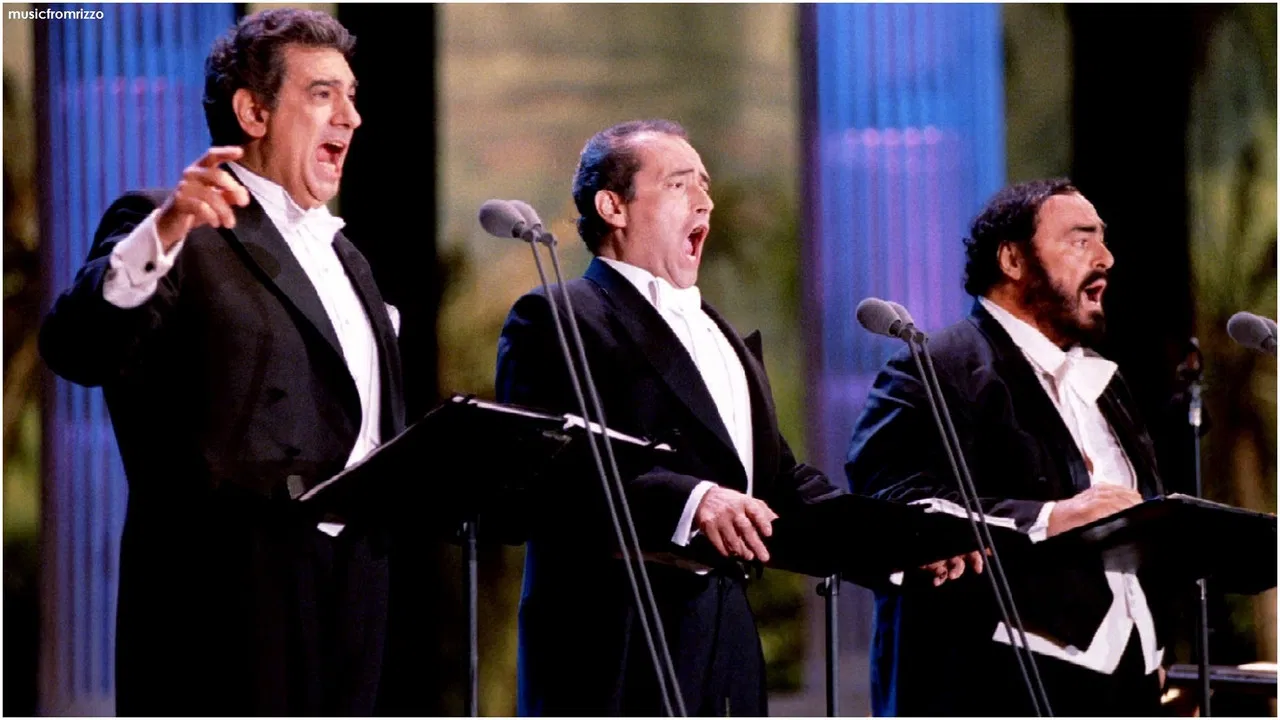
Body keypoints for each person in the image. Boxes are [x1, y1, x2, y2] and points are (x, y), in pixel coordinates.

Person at [495, 119, 981, 716]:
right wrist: (690, 499)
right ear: (612, 206)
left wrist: (904, 543)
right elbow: (553, 468)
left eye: (706, 185)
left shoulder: (722, 335)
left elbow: (782, 492)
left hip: (723, 641)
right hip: (614, 643)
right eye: (679, 185)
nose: (706, 201)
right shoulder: (558, 314)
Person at [39, 9, 405, 715]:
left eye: (353, 96)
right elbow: (76, 348)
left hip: (354, 584)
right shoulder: (174, 225)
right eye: (325, 94)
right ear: (254, 110)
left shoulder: (349, 258)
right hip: (229, 590)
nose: (352, 117)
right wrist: (166, 229)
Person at [845, 179, 1172, 716]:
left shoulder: (1105, 384)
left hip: (1130, 679)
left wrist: (1148, 636)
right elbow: (892, 502)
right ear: (1013, 259)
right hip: (994, 678)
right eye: (1080, 240)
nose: (1106, 258)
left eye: (1103, 240)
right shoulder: (934, 365)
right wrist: (1049, 516)